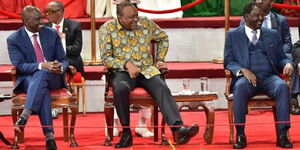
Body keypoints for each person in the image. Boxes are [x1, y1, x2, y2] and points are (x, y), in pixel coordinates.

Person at [99, 1, 199, 148]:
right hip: (123, 72)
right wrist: (126, 64)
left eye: (136, 16)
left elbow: (163, 37)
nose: (135, 20)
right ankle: (126, 134)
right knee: (120, 88)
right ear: (119, 17)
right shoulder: (107, 29)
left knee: (161, 86)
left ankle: (178, 130)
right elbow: (106, 58)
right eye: (130, 17)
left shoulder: (145, 23)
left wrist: (159, 59)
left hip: (146, 70)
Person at [224, 2, 294, 149]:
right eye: (256, 16)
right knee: (240, 87)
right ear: (246, 17)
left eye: (262, 15)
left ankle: (282, 134)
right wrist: (242, 70)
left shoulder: (272, 34)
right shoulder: (233, 35)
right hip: (246, 79)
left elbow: (281, 57)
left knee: (282, 86)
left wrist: (287, 64)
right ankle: (240, 134)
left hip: (269, 77)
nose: (260, 19)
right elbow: (228, 62)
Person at [7, 6, 68, 150]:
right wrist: (42, 65)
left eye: (42, 17)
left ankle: (25, 115)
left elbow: (64, 59)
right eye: (38, 19)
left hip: (53, 77)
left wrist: (61, 67)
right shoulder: (14, 39)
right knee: (42, 85)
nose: (43, 21)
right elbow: (20, 65)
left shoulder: (52, 33)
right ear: (26, 21)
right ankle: (49, 137)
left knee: (43, 75)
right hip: (29, 80)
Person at [44, 1, 85, 119]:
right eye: (46, 11)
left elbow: (76, 49)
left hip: (70, 60)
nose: (48, 14)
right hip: (52, 62)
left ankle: (64, 101)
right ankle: (53, 105)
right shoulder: (44, 28)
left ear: (61, 12)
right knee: (50, 69)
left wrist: (58, 50)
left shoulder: (74, 25)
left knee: (57, 68)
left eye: (51, 11)